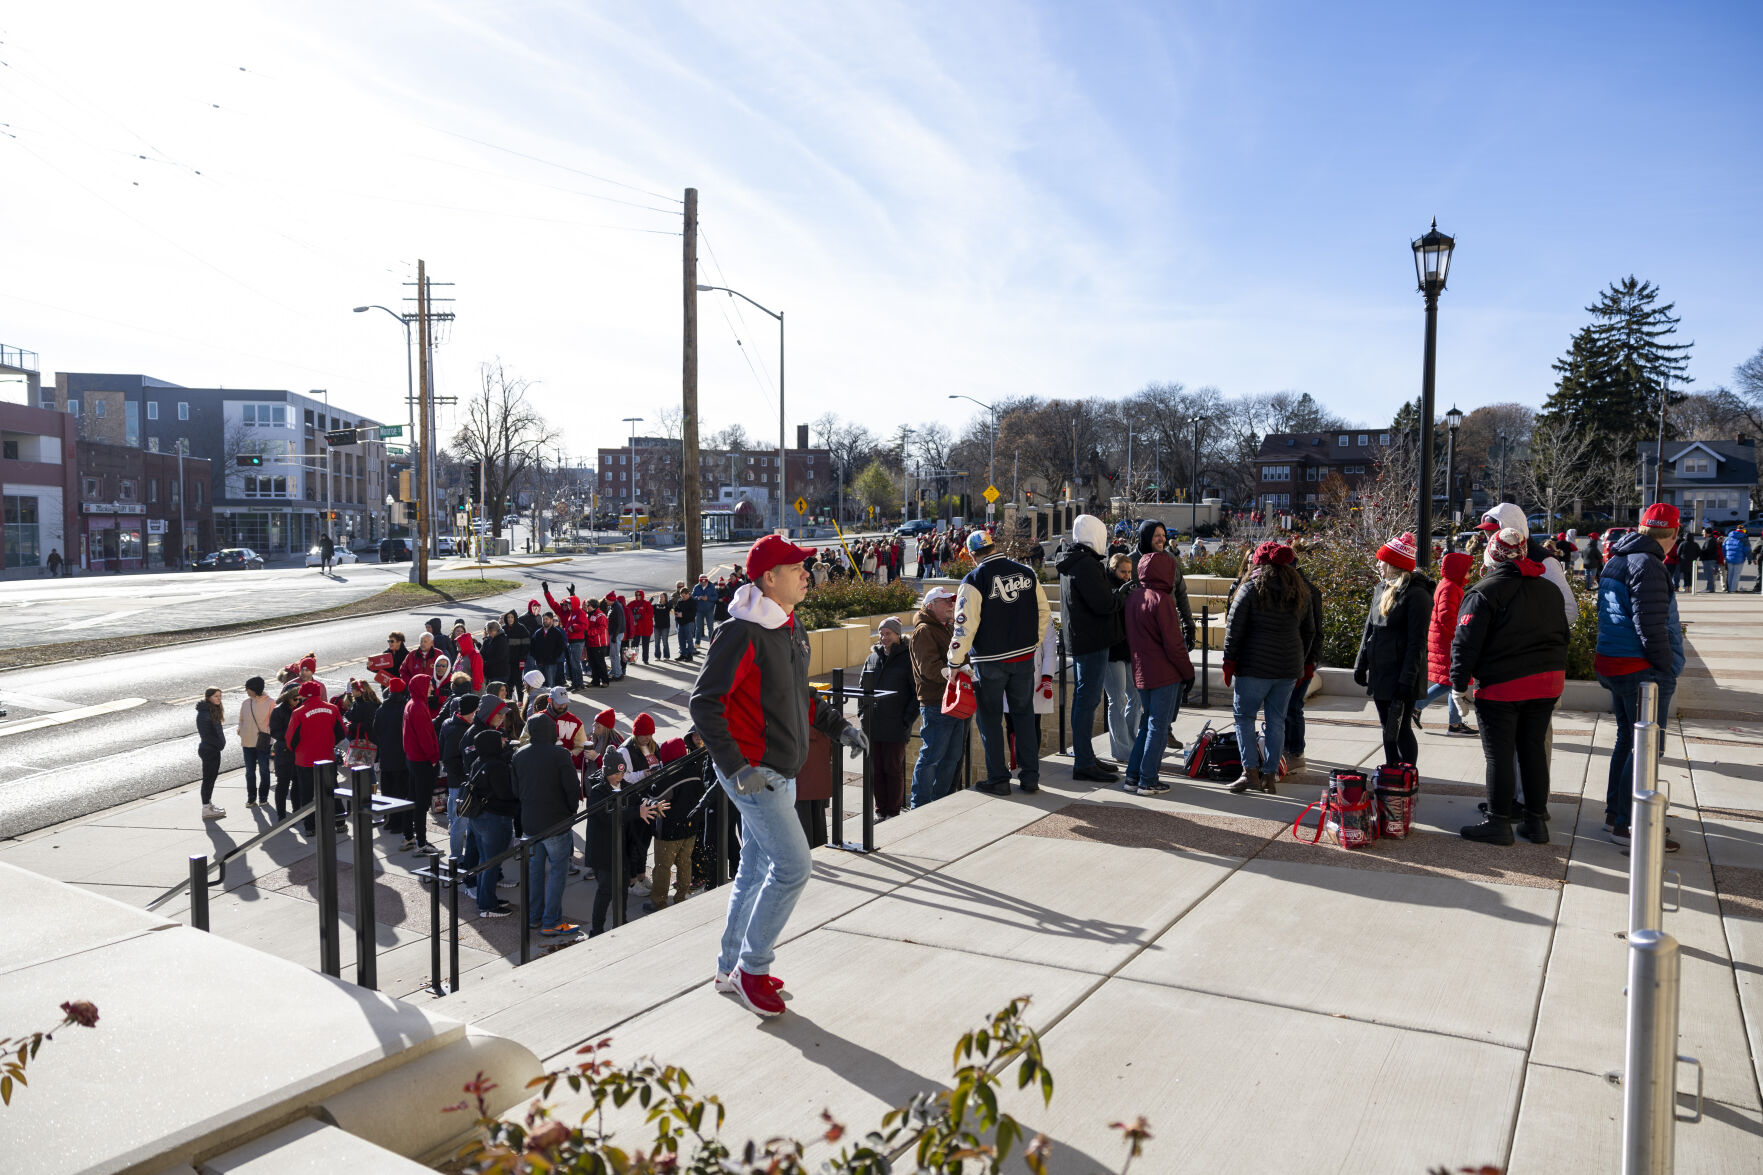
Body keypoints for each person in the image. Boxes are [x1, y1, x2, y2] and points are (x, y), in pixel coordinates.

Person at [690, 534, 866, 1018]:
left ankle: (728, 969)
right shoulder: (742, 632)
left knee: (755, 869)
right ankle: (752, 969)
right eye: (797, 568)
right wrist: (735, 767)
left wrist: (840, 726)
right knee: (794, 867)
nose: (807, 574)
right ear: (770, 578)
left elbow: (799, 696)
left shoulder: (789, 625)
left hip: (779, 768)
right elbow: (704, 704)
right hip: (755, 773)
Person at [1452, 526, 1571, 844]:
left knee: (1500, 756)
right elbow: (1564, 635)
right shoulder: (1548, 590)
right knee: (1533, 750)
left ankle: (1498, 821)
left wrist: (1458, 686)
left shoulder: (1484, 591)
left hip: (1503, 686)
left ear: (1490, 557)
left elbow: (1465, 644)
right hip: (1547, 682)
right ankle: (1535, 822)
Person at [1596, 503, 1685, 849]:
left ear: (1641, 527)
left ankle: (1614, 816)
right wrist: (1666, 666)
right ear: (1674, 535)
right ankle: (1629, 823)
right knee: (1648, 747)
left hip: (1615, 662)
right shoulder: (1649, 565)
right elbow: (1650, 625)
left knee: (1627, 740)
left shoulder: (1618, 558)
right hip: (1640, 668)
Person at [949, 528, 1051, 796]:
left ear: (972, 555)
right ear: (993, 546)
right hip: (1024, 658)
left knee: (991, 720)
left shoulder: (974, 579)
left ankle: (998, 778)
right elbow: (1044, 612)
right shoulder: (1027, 573)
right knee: (1025, 716)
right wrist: (1034, 643)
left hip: (990, 661)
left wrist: (954, 661)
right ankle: (1030, 776)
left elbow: (964, 626)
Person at [1222, 542, 1313, 794]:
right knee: (1277, 721)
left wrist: (1229, 662)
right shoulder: (1299, 590)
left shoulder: (1250, 588)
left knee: (1244, 718)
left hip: (1254, 666)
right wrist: (1301, 661)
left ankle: (1249, 771)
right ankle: (1269, 776)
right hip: (1287, 668)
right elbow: (1309, 631)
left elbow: (1234, 630)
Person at [1353, 532, 1433, 769]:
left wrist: (1407, 680)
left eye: (1382, 561)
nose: (1378, 565)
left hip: (1402, 673)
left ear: (1394, 564)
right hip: (1381, 671)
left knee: (1400, 728)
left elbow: (1417, 642)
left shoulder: (1417, 595)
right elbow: (1370, 629)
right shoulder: (1381, 588)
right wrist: (1361, 664)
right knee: (1386, 727)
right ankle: (1391, 772)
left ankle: (1407, 777)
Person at [1123, 550, 1196, 795]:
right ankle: (1148, 779)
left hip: (1141, 671)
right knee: (1158, 726)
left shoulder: (1134, 597)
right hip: (1164, 673)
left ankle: (1133, 776)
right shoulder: (1163, 600)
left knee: (1147, 724)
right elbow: (1174, 644)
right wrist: (1188, 672)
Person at [1057, 514, 1122, 783]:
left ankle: (1085, 756)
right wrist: (1122, 594)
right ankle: (1083, 761)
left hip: (1083, 639)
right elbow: (1104, 604)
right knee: (1087, 700)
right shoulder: (1086, 565)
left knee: (1085, 700)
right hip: (1092, 640)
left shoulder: (1074, 561)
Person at [512, 712, 581, 938]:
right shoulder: (560, 754)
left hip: (530, 823)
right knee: (558, 871)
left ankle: (534, 917)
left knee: (535, 872)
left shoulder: (519, 755)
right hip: (556, 823)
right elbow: (572, 787)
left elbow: (515, 790)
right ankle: (551, 921)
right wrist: (572, 810)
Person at [906, 587, 964, 808]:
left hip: (953, 701)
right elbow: (929, 669)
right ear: (931, 605)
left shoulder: (946, 628)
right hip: (936, 703)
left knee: (951, 756)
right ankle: (920, 805)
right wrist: (958, 671)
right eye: (945, 601)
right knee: (932, 756)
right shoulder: (924, 631)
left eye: (952, 600)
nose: (951, 604)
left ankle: (939, 803)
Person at [858, 616, 917, 819]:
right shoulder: (872, 657)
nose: (884, 638)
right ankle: (880, 809)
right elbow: (861, 687)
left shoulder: (908, 657)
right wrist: (862, 714)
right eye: (881, 634)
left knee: (892, 769)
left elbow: (915, 693)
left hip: (896, 725)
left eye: (888, 634)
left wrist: (906, 720)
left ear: (898, 635)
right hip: (873, 725)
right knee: (876, 769)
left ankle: (893, 811)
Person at [1414, 551, 1477, 736]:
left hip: (1444, 640)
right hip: (1447, 642)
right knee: (1452, 682)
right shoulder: (1451, 588)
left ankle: (1455, 724)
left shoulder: (1449, 585)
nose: (1471, 573)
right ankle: (1419, 707)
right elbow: (1447, 617)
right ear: (1459, 570)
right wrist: (1460, 635)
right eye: (1469, 570)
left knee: (1451, 682)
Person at [465, 727, 518, 918]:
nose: (504, 742)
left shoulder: (478, 762)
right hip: (495, 819)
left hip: (478, 818)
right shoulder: (497, 766)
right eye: (500, 741)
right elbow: (505, 793)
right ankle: (487, 905)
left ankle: (485, 898)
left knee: (484, 860)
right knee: (491, 862)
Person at [286, 680, 349, 836]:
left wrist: (300, 750)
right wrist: (328, 744)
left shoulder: (298, 713)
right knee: (332, 790)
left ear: (302, 695)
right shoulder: (332, 708)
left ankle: (310, 827)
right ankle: (340, 822)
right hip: (327, 757)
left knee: (307, 794)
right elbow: (341, 732)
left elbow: (291, 740)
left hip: (305, 760)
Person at [1101, 552, 1142, 769]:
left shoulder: (1131, 588)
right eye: (1122, 572)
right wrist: (1122, 595)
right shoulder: (1107, 588)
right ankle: (1121, 748)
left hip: (1128, 649)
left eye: (1129, 572)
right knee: (1116, 700)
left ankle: (1130, 741)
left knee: (1135, 697)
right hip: (1112, 651)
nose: (1127, 576)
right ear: (1113, 569)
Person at [402, 675, 442, 853]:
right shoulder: (418, 707)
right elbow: (425, 736)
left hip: (412, 759)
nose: (432, 689)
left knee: (411, 798)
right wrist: (434, 758)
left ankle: (409, 836)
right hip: (422, 761)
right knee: (421, 803)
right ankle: (421, 843)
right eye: (429, 686)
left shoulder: (411, 703)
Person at [374, 676, 412, 845]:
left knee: (388, 790)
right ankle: (399, 823)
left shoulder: (382, 709)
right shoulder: (405, 708)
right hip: (402, 757)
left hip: (386, 756)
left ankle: (390, 820)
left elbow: (376, 731)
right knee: (401, 791)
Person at [237, 676, 274, 810]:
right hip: (247, 742)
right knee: (249, 772)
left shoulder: (270, 703)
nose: (246, 690)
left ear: (255, 689)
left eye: (248, 688)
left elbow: (274, 723)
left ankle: (263, 798)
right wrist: (240, 730)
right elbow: (241, 719)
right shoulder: (246, 703)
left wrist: (267, 732)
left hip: (263, 742)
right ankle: (251, 798)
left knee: (264, 771)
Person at [196, 687, 227, 821]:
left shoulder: (212, 710)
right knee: (208, 779)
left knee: (211, 779)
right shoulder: (205, 713)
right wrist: (219, 744)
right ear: (208, 697)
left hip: (212, 750)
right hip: (209, 750)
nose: (219, 699)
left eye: (220, 696)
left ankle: (208, 804)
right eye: (216, 696)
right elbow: (207, 735)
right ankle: (206, 808)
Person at [530, 611, 567, 688]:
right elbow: (532, 645)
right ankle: (541, 699)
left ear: (551, 620)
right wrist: (536, 657)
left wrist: (554, 657)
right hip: (539, 662)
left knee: (550, 683)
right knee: (539, 683)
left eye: (546, 619)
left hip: (551, 662)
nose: (545, 621)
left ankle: (551, 699)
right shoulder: (538, 632)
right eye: (543, 619)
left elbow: (561, 647)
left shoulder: (557, 632)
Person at [630, 589, 655, 664]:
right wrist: (632, 616)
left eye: (639, 595)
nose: (638, 596)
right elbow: (627, 610)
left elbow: (650, 615)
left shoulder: (647, 604)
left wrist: (641, 616)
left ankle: (645, 659)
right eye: (636, 595)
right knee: (634, 644)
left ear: (642, 595)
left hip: (646, 627)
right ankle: (631, 659)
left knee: (645, 645)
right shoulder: (632, 603)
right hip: (636, 628)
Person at [691, 574, 716, 644]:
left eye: (705, 581)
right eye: (702, 581)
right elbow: (692, 597)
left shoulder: (712, 586)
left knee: (710, 627)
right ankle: (697, 643)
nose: (703, 583)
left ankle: (712, 643)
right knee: (698, 628)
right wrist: (698, 598)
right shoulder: (696, 587)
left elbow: (715, 597)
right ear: (700, 581)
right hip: (699, 610)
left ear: (707, 581)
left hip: (709, 610)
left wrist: (708, 598)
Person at [1724, 526, 1749, 593]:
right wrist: (1749, 559)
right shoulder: (1744, 539)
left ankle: (1729, 589)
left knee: (1730, 574)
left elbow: (1723, 548)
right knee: (1736, 574)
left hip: (1729, 559)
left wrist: (1725, 557)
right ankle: (1733, 589)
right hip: (1739, 560)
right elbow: (1747, 550)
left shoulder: (1728, 538)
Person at [654, 588, 674, 661]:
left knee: (665, 642)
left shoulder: (667, 606)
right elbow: (648, 606)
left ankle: (666, 656)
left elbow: (671, 604)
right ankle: (657, 656)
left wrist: (669, 598)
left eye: (662, 597)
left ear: (665, 598)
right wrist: (651, 599)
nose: (661, 598)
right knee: (656, 642)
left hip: (665, 626)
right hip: (657, 626)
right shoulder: (656, 605)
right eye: (660, 597)